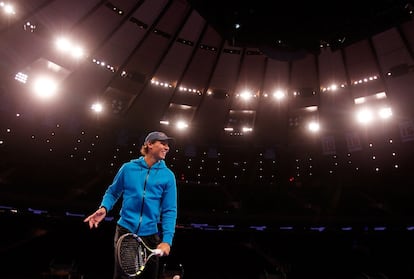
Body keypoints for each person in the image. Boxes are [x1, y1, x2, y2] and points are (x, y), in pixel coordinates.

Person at [84, 131, 178, 279]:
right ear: (149, 144)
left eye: (168, 145)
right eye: (163, 143)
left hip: (150, 237)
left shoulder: (168, 176)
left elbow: (169, 210)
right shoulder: (128, 168)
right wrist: (104, 208)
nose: (167, 148)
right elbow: (113, 192)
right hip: (125, 232)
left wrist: (167, 241)